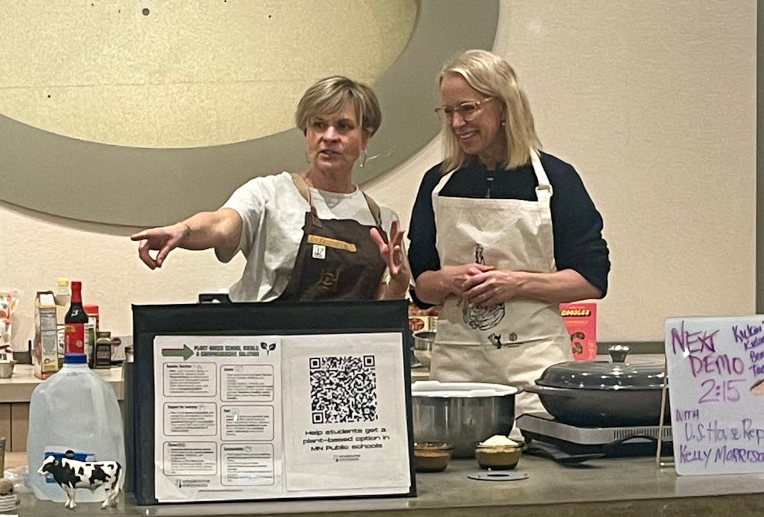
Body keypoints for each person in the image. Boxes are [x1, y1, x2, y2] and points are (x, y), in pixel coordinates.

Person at [407, 49, 609, 420]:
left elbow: (591, 280)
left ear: (503, 107)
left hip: (534, 374)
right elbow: (421, 287)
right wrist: (446, 280)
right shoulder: (438, 184)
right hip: (457, 372)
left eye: (467, 109)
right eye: (448, 112)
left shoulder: (556, 181)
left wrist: (515, 284)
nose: (456, 123)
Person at [132, 76, 410, 303]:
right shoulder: (270, 194)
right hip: (268, 354)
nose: (329, 136)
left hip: (339, 358)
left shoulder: (382, 220)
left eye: (343, 126)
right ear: (306, 133)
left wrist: (398, 286)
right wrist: (184, 231)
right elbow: (221, 225)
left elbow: (378, 313)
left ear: (366, 138)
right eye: (318, 125)